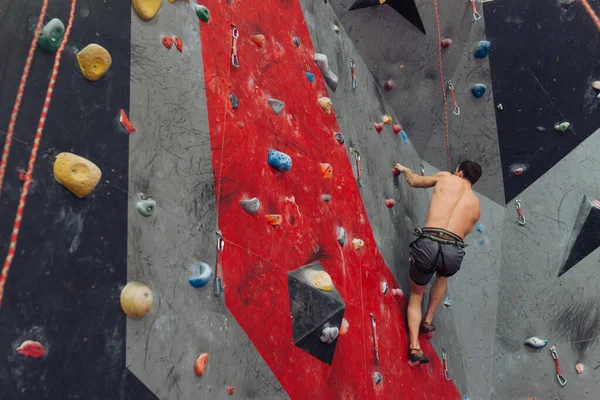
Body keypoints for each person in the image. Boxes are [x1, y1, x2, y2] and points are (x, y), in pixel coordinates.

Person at [392, 161, 482, 365]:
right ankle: (428, 320)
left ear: (459, 172)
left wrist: (405, 169)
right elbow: (464, 233)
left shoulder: (445, 177)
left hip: (429, 242)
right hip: (453, 251)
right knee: (443, 276)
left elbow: (415, 181)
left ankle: (414, 346)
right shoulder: (476, 205)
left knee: (416, 295)